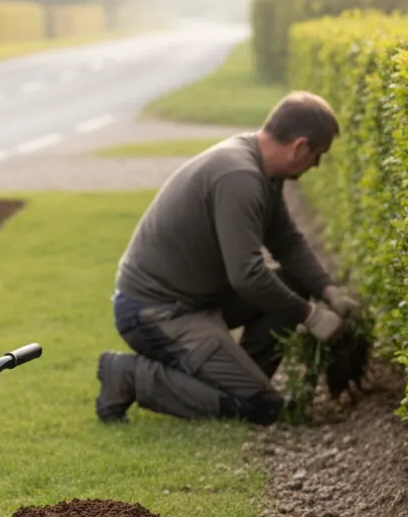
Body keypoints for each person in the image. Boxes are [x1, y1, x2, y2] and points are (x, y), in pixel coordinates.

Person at [94, 90, 359, 426]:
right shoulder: (239, 176)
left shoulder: (262, 170)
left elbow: (287, 242)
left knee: (292, 282)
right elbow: (246, 275)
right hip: (155, 313)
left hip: (198, 300)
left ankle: (240, 376)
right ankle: (130, 375)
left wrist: (327, 290)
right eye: (318, 155)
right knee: (262, 408)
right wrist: (311, 316)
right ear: (300, 147)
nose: (316, 165)